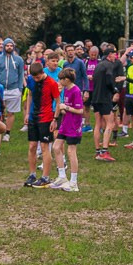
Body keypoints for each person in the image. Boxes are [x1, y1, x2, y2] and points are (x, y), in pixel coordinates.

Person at [49, 62, 86, 191]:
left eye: (61, 79)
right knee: (56, 146)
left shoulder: (76, 91)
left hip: (74, 126)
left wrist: (67, 107)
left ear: (67, 80)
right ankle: (62, 176)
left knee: (71, 151)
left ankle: (74, 182)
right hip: (65, 123)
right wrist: (64, 110)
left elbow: (80, 110)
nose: (59, 81)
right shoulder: (65, 89)